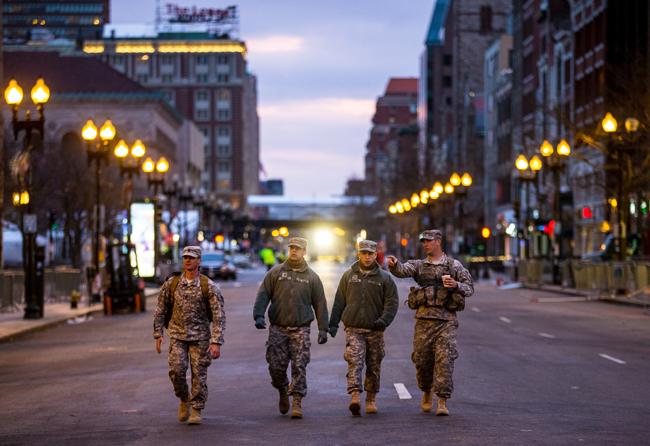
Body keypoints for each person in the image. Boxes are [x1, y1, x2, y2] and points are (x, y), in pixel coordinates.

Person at [387, 229, 473, 416]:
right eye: (423, 241)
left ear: (438, 241)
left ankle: (442, 400)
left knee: (445, 360)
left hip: (446, 321)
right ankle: (426, 391)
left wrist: (456, 285)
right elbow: (402, 270)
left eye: (428, 240)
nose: (425, 244)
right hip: (424, 321)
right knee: (422, 360)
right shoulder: (419, 265)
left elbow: (469, 288)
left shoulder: (453, 266)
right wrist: (394, 265)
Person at [253, 237, 329, 419]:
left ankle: (297, 401)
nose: (294, 251)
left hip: (301, 328)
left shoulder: (312, 277)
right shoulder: (276, 273)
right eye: (292, 248)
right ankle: (282, 388)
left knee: (299, 365)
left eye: (298, 248)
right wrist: (258, 315)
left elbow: (320, 303)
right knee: (275, 367)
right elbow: (263, 294)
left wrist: (323, 329)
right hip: (278, 328)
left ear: (304, 252)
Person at [153, 246, 226, 425]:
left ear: (199, 261)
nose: (188, 260)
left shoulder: (208, 286)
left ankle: (197, 409)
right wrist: (158, 333)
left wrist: (216, 341)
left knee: (199, 375)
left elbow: (218, 316)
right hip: (177, 335)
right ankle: (184, 398)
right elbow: (161, 308)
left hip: (200, 337)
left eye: (192, 258)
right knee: (176, 371)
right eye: (185, 257)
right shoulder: (172, 283)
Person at [329, 240, 398, 416]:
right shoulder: (348, 275)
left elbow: (391, 303)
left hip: (375, 330)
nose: (367, 257)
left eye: (370, 254)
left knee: (373, 365)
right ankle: (355, 397)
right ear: (358, 254)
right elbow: (339, 301)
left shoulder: (385, 278)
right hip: (353, 328)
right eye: (364, 253)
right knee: (355, 361)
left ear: (376, 255)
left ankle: (371, 399)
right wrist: (333, 324)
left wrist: (384, 321)